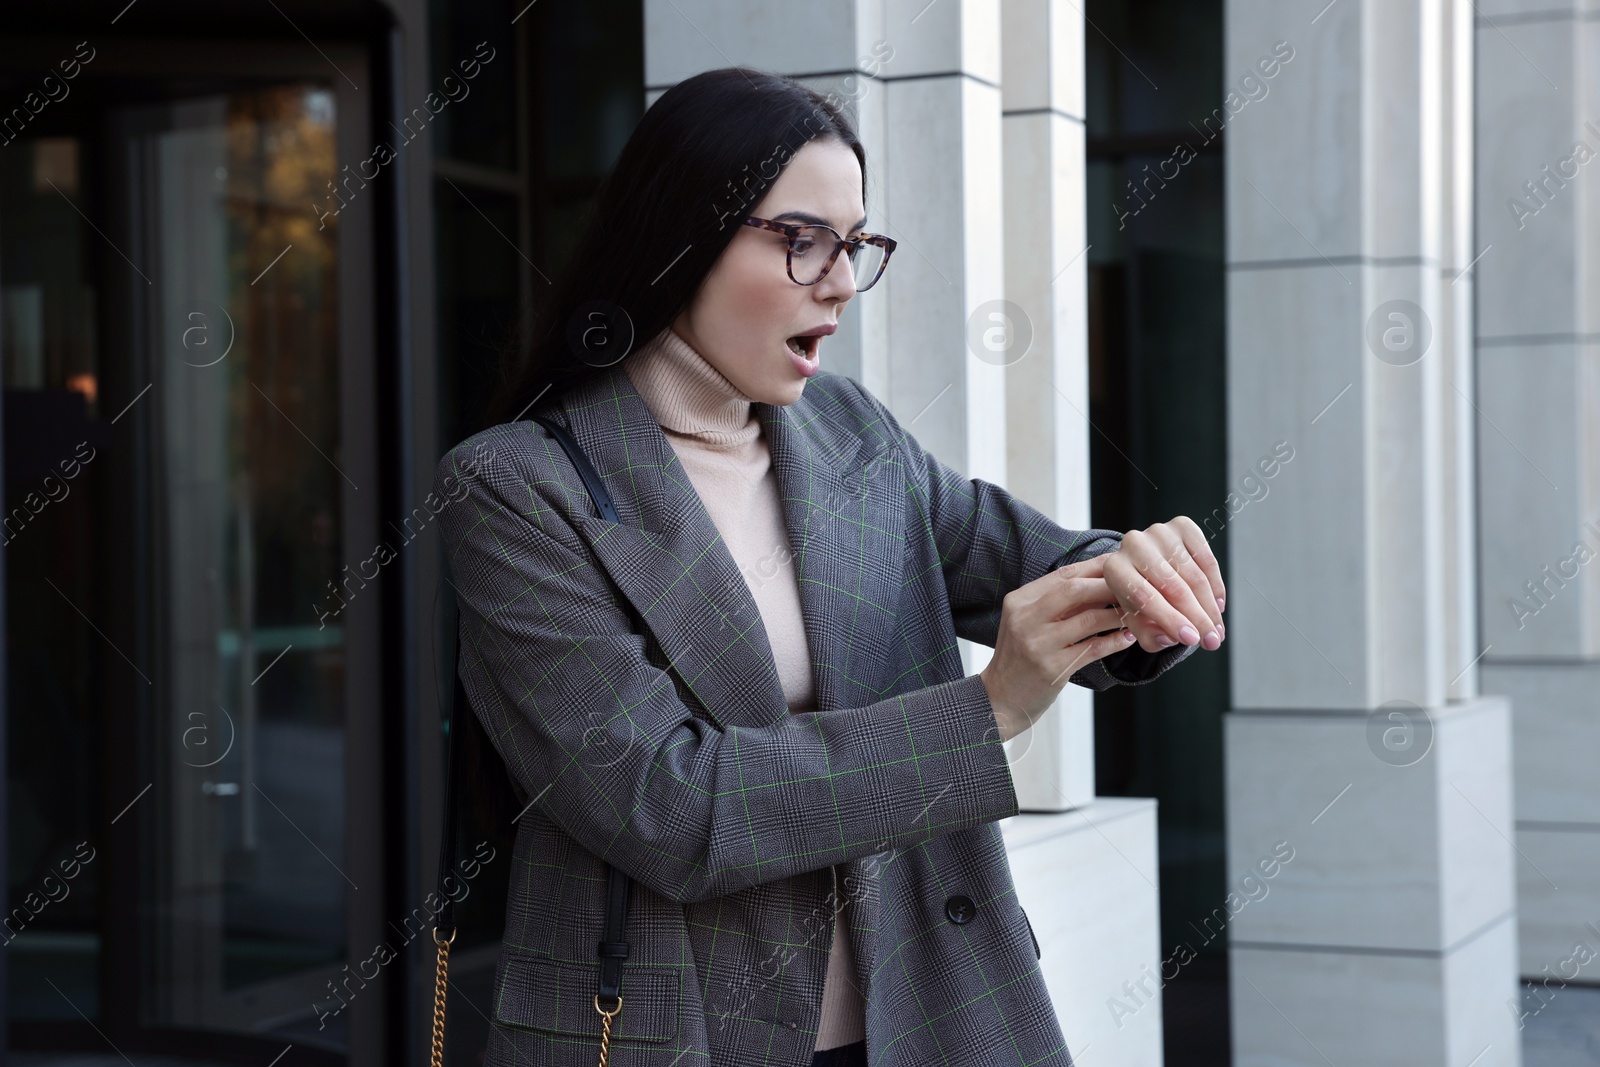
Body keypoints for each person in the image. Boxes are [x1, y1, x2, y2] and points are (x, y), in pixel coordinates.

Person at [435, 66, 1224, 1067]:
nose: (843, 282)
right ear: (679, 233)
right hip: (669, 1032)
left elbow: (1033, 556)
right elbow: (671, 806)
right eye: (804, 241)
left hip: (931, 1011)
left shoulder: (849, 435)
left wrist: (1134, 575)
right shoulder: (517, 487)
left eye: (855, 246)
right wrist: (992, 708)